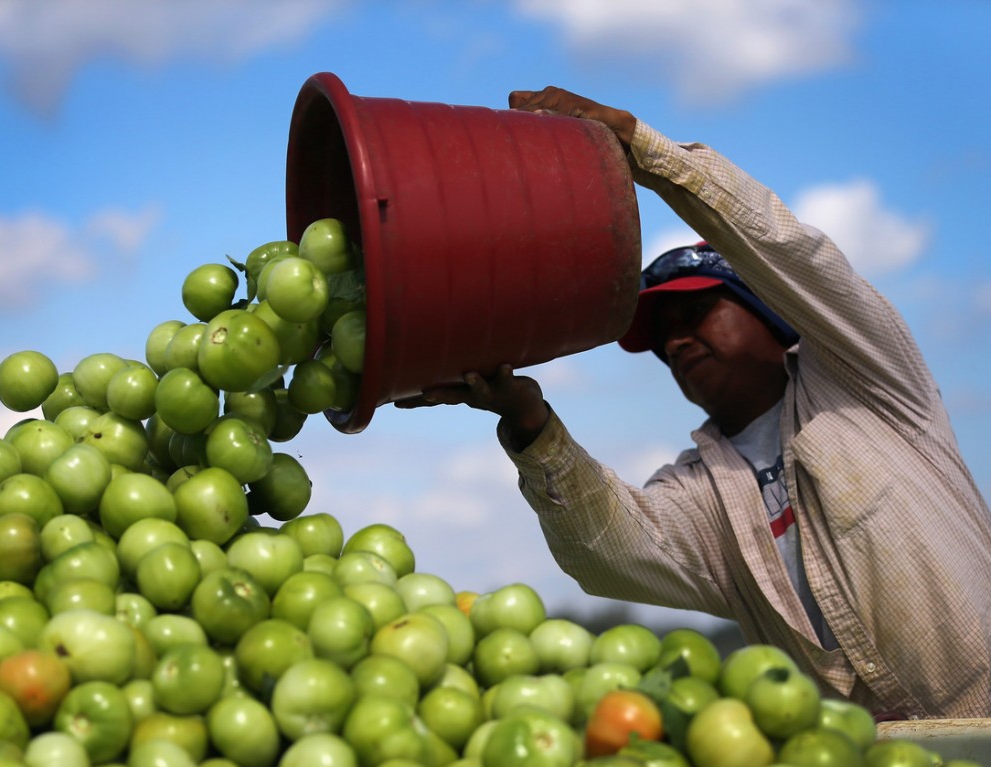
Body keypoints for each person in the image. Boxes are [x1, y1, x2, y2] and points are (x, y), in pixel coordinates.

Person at [395, 87, 991, 719]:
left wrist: (649, 155)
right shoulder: (702, 493)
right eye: (661, 334)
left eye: (699, 311)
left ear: (771, 314)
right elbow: (610, 549)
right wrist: (528, 421)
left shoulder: (867, 382)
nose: (677, 338)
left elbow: (791, 255)